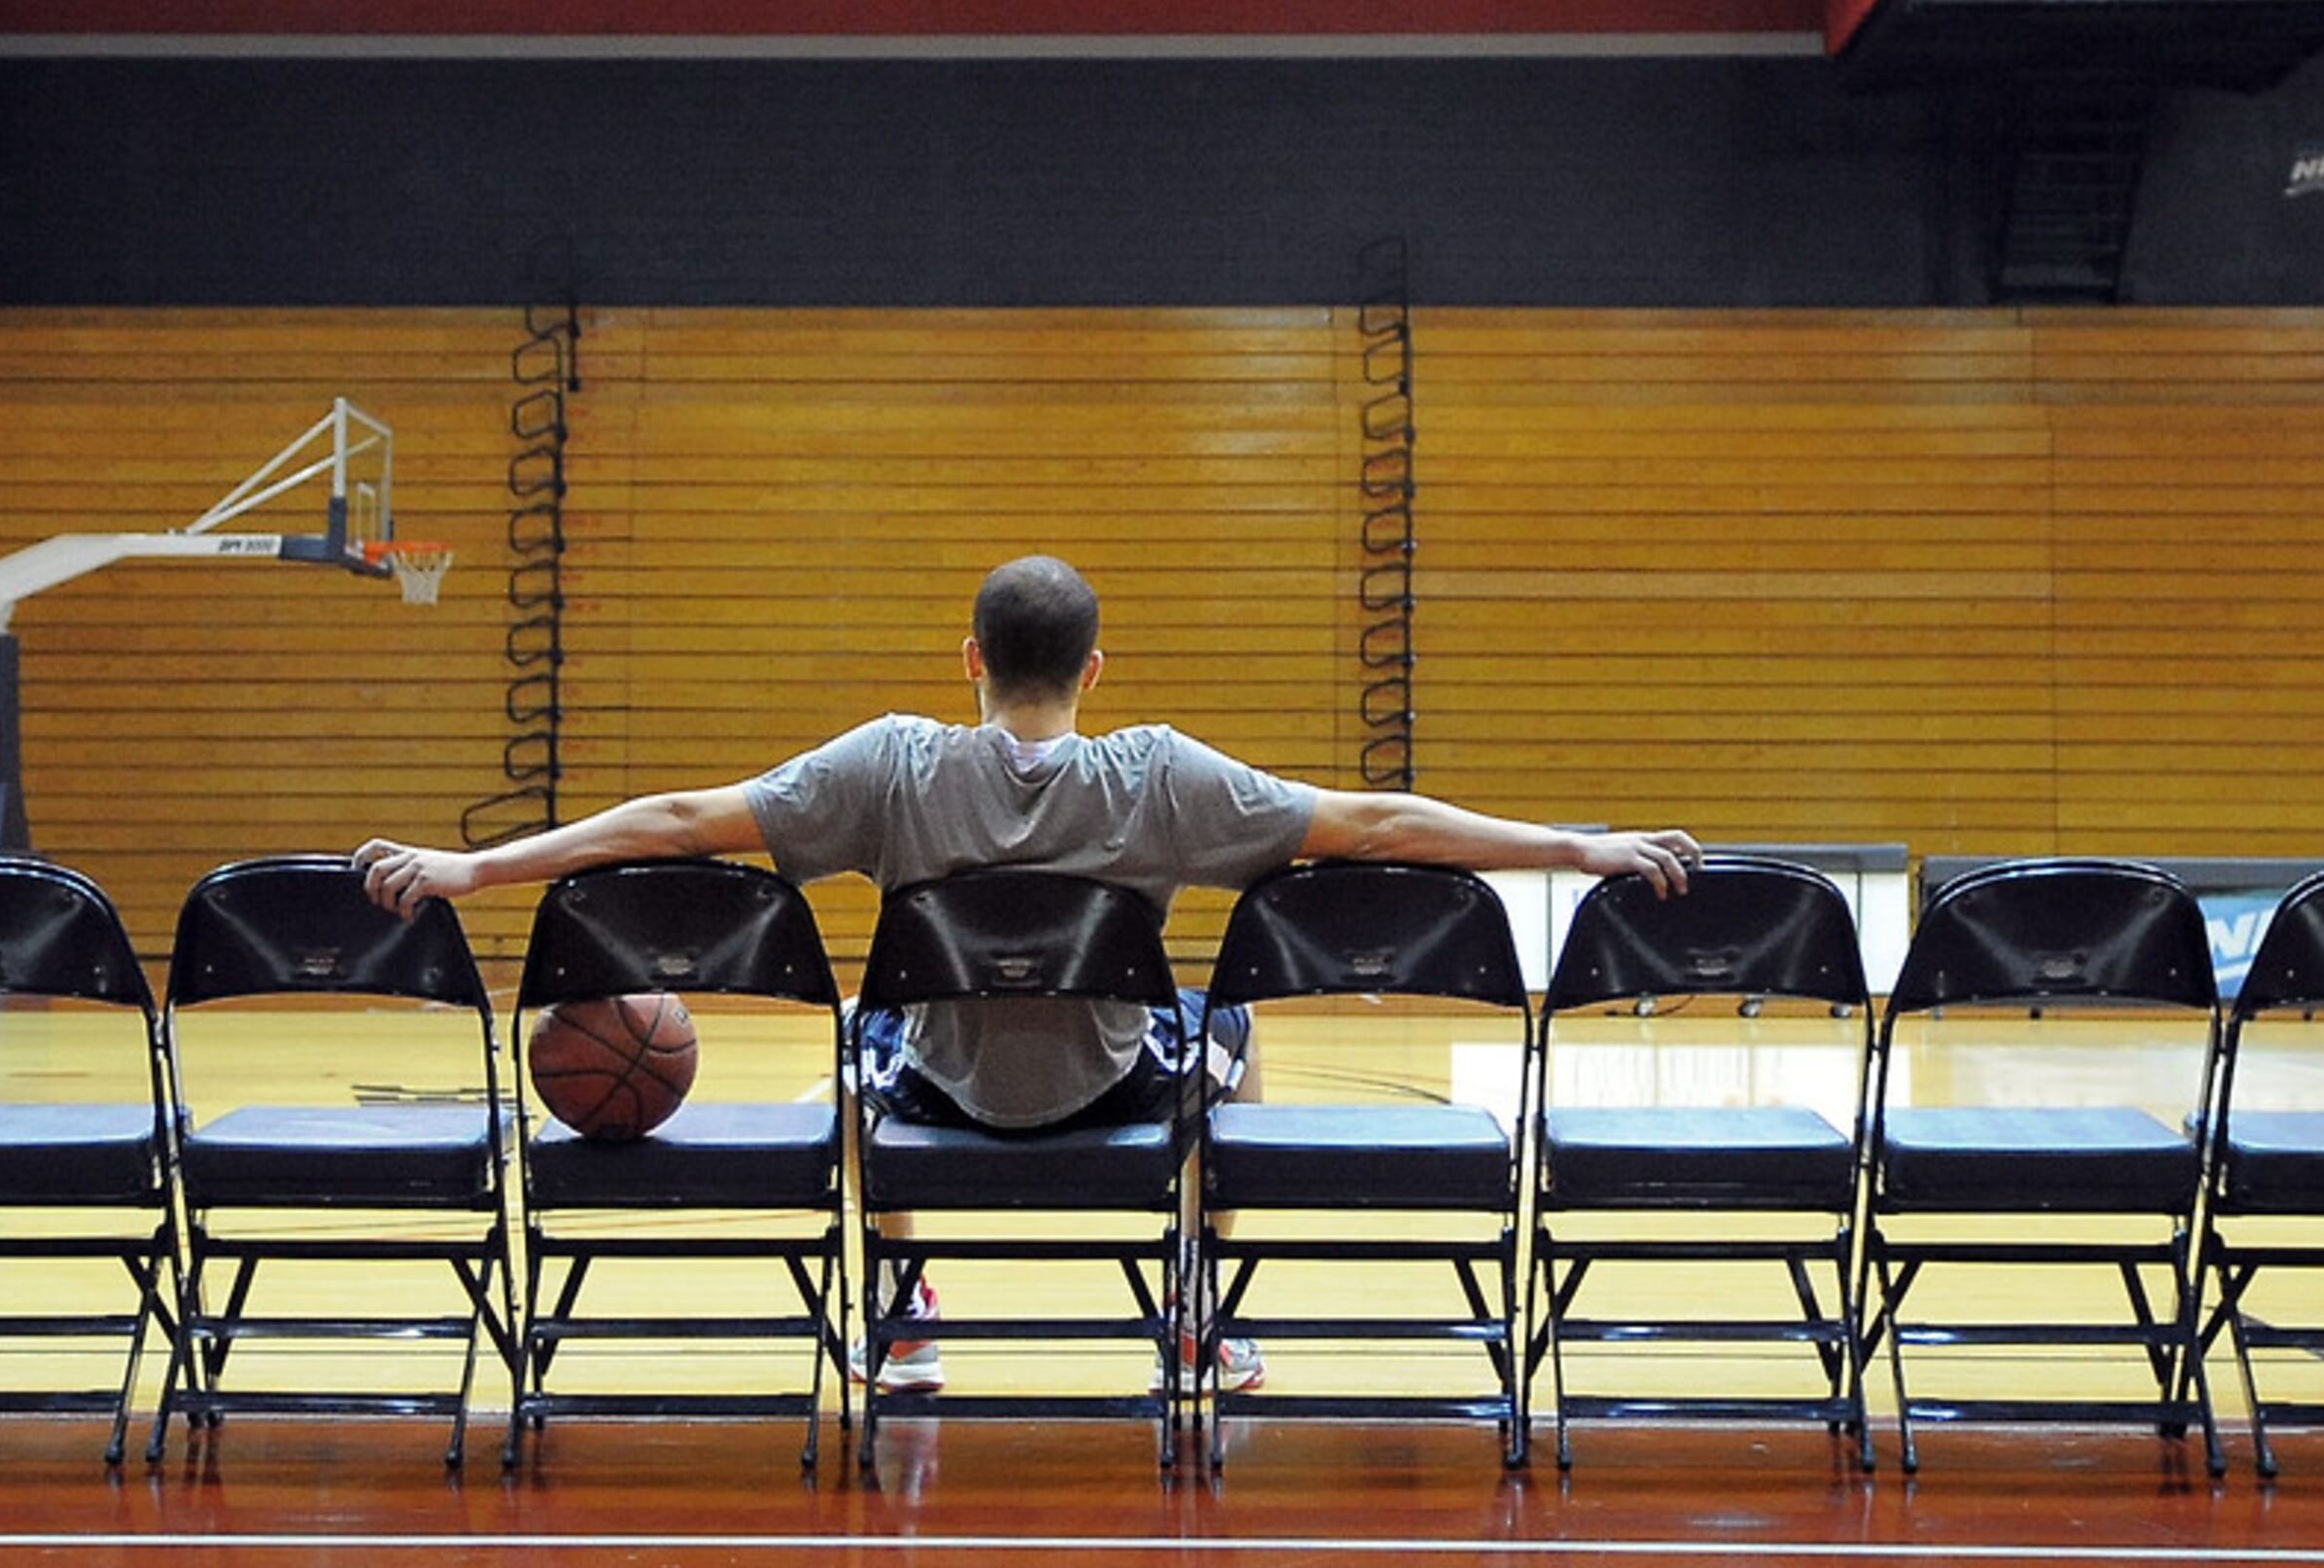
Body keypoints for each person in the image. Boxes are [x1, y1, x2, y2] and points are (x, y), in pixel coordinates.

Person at [351, 554, 1701, 1395]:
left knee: (860, 1037)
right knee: (1227, 1020)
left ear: (973, 663)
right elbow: (1388, 826)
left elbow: (673, 824)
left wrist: (474, 873)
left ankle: (906, 1304)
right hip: (1114, 1090)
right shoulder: (1161, 773)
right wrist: (1577, 846)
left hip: (934, 1101)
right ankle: (1194, 1314)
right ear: (1094, 669)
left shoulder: (889, 763)